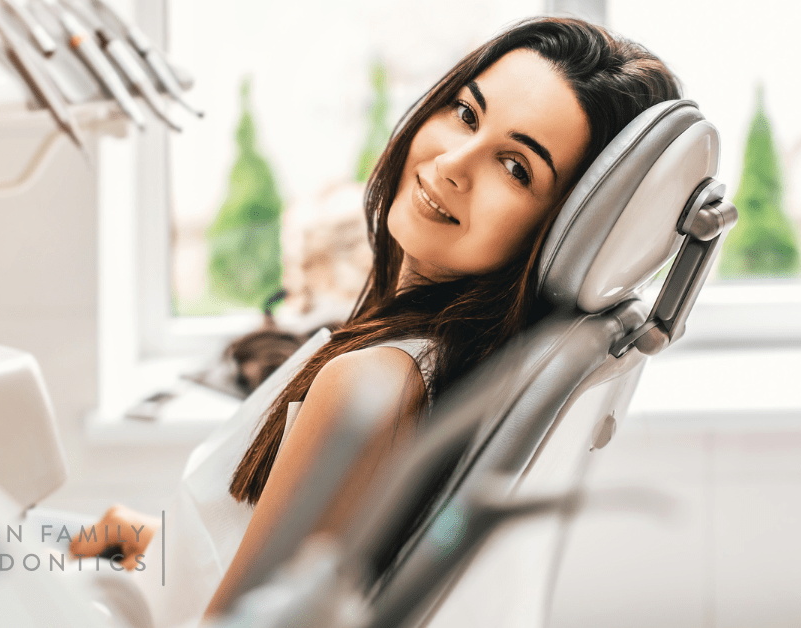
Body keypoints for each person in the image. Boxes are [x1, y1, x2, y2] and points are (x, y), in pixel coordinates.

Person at [71, 16, 681, 627]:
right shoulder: (437, 360)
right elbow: (244, 551)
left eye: (516, 167)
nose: (452, 163)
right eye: (467, 113)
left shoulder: (374, 389)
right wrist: (109, 543)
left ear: (560, 230)